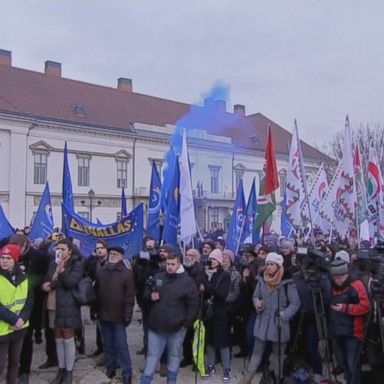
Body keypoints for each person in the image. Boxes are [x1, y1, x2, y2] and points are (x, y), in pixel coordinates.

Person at [238, 252, 300, 384]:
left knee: (278, 355)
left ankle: (277, 379)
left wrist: (284, 315)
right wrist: (258, 304)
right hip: (263, 321)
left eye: (272, 264)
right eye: (267, 264)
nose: (269, 267)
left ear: (278, 265)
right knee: (256, 352)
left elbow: (295, 303)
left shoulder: (287, 281)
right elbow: (255, 296)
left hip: (279, 323)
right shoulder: (262, 279)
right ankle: (247, 379)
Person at [140, 252, 199, 384]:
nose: (170, 267)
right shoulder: (158, 276)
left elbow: (193, 304)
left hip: (177, 328)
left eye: (173, 264)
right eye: (168, 264)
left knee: (174, 356)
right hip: (156, 326)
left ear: (179, 264)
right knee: (152, 357)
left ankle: (171, 381)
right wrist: (150, 296)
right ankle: (145, 380)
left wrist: (186, 324)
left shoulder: (187, 282)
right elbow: (144, 294)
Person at [42, 239, 83, 384]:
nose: (59, 251)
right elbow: (49, 278)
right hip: (53, 303)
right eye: (57, 248)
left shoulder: (76, 263)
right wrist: (47, 284)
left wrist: (62, 270)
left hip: (68, 304)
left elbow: (70, 283)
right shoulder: (54, 262)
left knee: (67, 336)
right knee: (57, 336)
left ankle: (69, 372)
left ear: (70, 251)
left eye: (63, 249)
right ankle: (61, 369)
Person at [95, 246, 135, 384]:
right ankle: (111, 367)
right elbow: (97, 293)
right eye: (111, 253)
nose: (112, 255)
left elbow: (130, 297)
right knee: (108, 344)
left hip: (119, 316)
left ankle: (127, 371)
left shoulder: (126, 273)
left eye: (116, 254)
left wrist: (128, 315)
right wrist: (95, 311)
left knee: (121, 345)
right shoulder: (101, 272)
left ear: (121, 256)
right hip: (104, 314)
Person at [329, 259, 370, 384]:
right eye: (335, 277)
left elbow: (365, 306)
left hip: (353, 333)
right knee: (343, 364)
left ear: (346, 274)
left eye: (340, 277)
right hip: (337, 331)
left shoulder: (356, 284)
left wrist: (345, 308)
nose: (337, 280)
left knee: (352, 365)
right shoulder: (331, 285)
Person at [0, 244, 33, 384]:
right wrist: (14, 319)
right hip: (2, 330)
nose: (4, 261)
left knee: (14, 362)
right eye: (2, 257)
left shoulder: (24, 277)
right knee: (0, 365)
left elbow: (29, 300)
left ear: (15, 259)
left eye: (8, 258)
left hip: (19, 328)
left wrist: (22, 319)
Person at [201, 249, 232, 383]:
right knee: (209, 341)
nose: (211, 261)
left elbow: (222, 294)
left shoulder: (224, 275)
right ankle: (210, 365)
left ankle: (226, 368)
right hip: (209, 312)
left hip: (220, 312)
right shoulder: (206, 274)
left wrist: (207, 286)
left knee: (222, 341)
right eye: (211, 259)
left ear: (219, 261)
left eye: (214, 259)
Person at [84, 239, 109, 357]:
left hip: (108, 298)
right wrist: (91, 256)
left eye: (101, 248)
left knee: (107, 326)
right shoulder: (94, 262)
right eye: (97, 248)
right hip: (96, 297)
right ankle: (100, 347)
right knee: (98, 324)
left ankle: (108, 351)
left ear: (106, 249)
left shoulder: (110, 262)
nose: (99, 250)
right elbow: (84, 269)